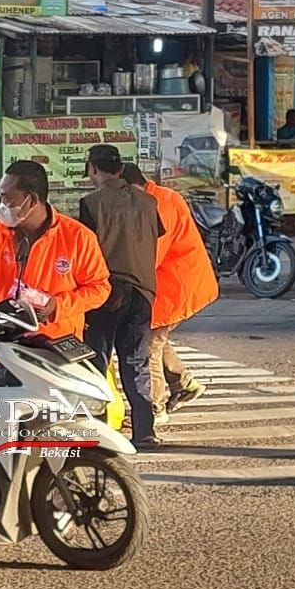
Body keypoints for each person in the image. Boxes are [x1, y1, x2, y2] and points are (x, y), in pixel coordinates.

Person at [0, 160, 111, 388]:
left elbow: (99, 288)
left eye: (8, 198)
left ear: (32, 200)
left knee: (55, 422)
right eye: (0, 195)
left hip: (55, 353)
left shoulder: (77, 237)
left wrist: (57, 306)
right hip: (4, 350)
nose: (1, 203)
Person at [79, 145, 165, 449]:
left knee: (96, 362)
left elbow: (86, 250)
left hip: (105, 290)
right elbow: (157, 235)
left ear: (93, 169)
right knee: (137, 361)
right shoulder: (148, 201)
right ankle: (144, 431)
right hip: (142, 290)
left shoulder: (91, 203)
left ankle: (97, 430)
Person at [120, 164, 218, 423]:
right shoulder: (158, 198)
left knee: (149, 344)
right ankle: (184, 383)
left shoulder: (159, 204)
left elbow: (150, 254)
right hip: (170, 283)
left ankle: (154, 409)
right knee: (155, 339)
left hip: (176, 284)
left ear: (131, 187)